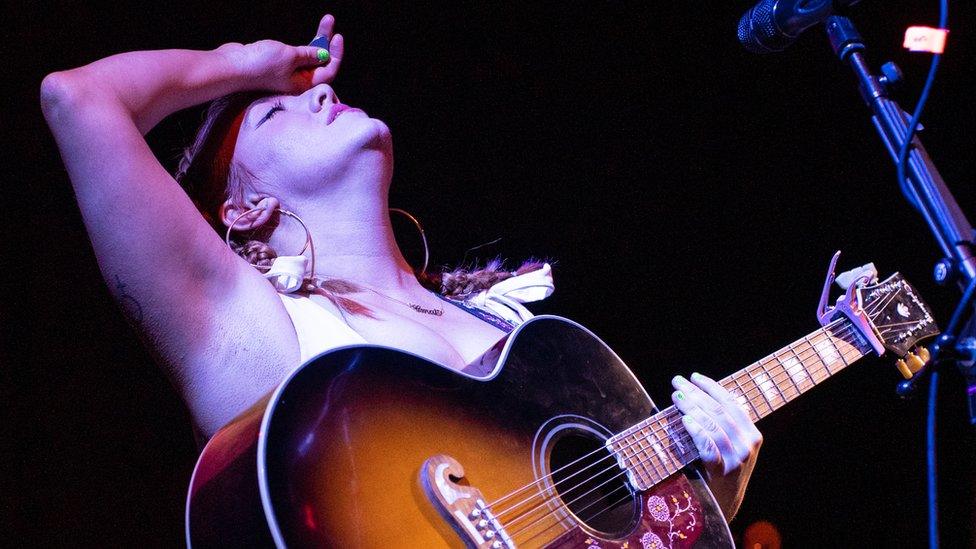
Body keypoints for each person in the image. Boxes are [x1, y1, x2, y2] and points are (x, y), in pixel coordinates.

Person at [40, 13, 761, 521]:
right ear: (244, 207)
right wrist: (248, 61)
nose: (321, 90)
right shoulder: (241, 317)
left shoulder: (510, 327)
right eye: (273, 115)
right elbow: (78, 98)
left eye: (301, 91)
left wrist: (711, 497)